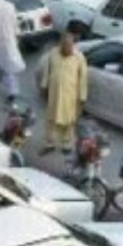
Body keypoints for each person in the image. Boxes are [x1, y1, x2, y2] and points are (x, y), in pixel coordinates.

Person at [39, 22, 88, 154]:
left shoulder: (79, 57)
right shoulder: (53, 54)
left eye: (69, 45)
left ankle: (66, 145)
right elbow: (47, 72)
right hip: (54, 94)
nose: (67, 48)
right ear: (61, 44)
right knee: (51, 119)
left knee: (69, 121)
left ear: (73, 45)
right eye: (64, 45)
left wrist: (82, 97)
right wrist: (44, 87)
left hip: (70, 96)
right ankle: (50, 143)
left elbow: (83, 79)